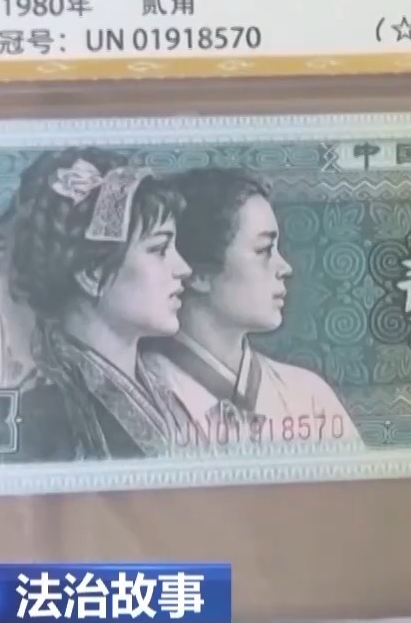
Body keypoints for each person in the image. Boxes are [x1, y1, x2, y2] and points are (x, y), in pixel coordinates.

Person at [0, 147, 201, 462]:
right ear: (92, 273)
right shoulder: (43, 418)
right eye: (159, 249)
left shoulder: (163, 391)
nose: (184, 268)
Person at [145, 167, 359, 448]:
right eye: (264, 250)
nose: (285, 267)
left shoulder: (309, 396)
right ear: (198, 274)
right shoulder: (141, 396)